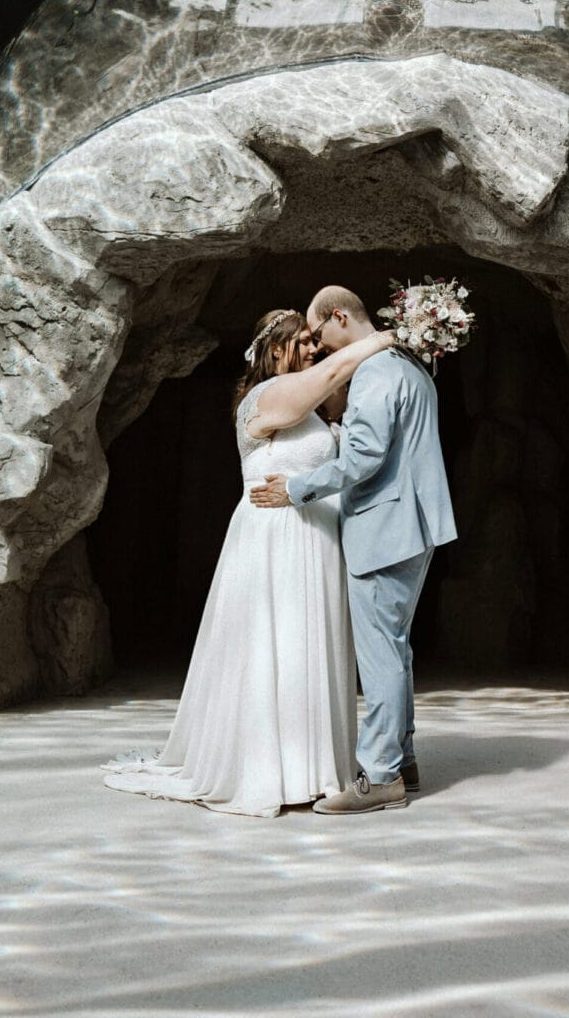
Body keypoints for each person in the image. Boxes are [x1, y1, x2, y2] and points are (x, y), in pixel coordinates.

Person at [102, 308, 396, 816]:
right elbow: (332, 372)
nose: (314, 348)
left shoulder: (312, 407)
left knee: (311, 646)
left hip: (317, 540)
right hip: (276, 540)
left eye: (315, 341)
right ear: (276, 350)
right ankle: (268, 768)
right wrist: (389, 336)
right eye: (303, 341)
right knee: (276, 647)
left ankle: (313, 768)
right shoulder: (264, 398)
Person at [250, 286, 457, 814]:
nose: (319, 345)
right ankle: (403, 759)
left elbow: (363, 456)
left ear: (339, 316)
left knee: (381, 652)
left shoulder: (375, 371)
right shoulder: (410, 365)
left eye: (319, 333)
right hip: (414, 524)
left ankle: (381, 776)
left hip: (384, 528)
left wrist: (296, 489)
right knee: (396, 646)